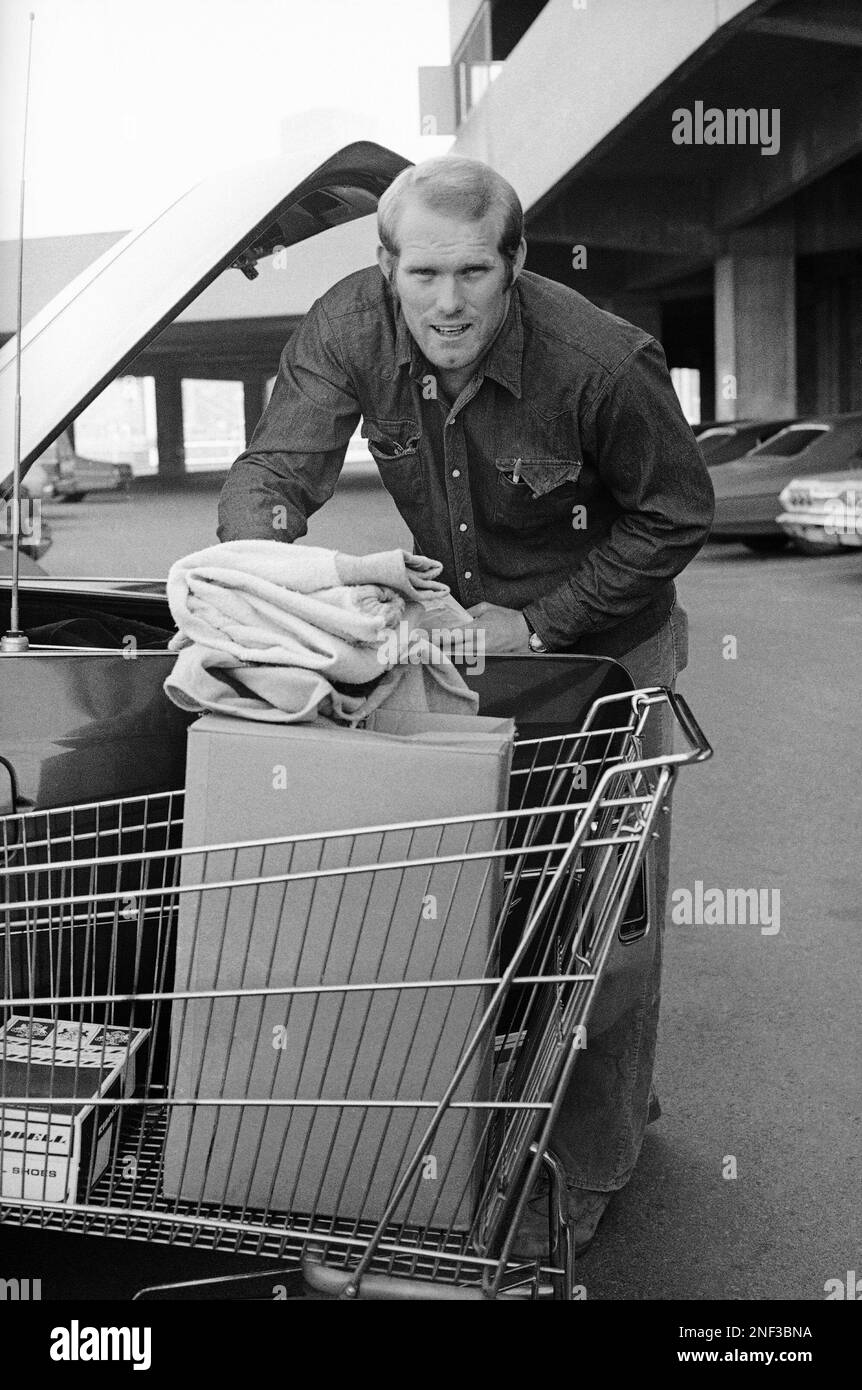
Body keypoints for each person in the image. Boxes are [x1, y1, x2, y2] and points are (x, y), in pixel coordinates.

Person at [217, 154, 715, 1254]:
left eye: (475, 273)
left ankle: (587, 1167)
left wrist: (538, 627)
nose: (448, 302)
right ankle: (503, 1108)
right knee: (491, 888)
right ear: (385, 266)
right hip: (459, 640)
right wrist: (268, 571)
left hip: (605, 646)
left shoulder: (597, 359)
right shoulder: (348, 328)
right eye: (424, 272)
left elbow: (675, 515)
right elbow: (275, 473)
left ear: (516, 265)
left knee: (599, 908)